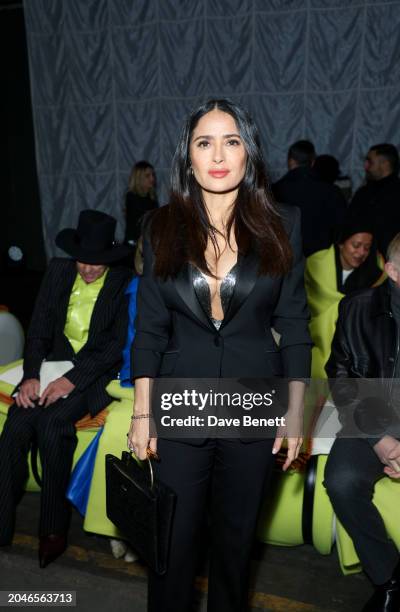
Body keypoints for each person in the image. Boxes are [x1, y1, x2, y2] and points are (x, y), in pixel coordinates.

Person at [127, 99, 312, 612]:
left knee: (234, 553)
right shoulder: (160, 227)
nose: (218, 155)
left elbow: (295, 325)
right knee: (170, 552)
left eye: (232, 141)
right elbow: (149, 330)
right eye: (203, 142)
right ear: (187, 157)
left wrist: (295, 413)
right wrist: (143, 414)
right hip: (180, 409)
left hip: (252, 411)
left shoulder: (284, 224)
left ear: (248, 153)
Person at [0, 210, 132, 567]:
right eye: (82, 261)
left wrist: (71, 380)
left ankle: (53, 531)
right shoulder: (58, 271)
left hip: (97, 375)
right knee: (15, 424)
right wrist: (31, 376)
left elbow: (116, 346)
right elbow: (39, 328)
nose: (88, 268)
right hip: (50, 369)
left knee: (53, 425)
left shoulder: (124, 281)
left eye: (96, 262)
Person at [324, 233, 400, 612]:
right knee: (341, 481)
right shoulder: (357, 307)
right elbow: (341, 376)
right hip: (372, 417)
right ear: (392, 270)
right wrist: (380, 438)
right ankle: (389, 578)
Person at [305, 220, 385, 380]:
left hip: (350, 342)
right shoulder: (315, 264)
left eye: (367, 248)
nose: (361, 252)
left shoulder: (376, 275)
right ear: (341, 244)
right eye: (356, 245)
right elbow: (308, 303)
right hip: (310, 334)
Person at [273, 141, 347, 256]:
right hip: (321, 261)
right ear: (312, 162)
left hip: (285, 260)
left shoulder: (274, 191)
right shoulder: (332, 191)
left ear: (290, 161)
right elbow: (341, 230)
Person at [348, 143, 400, 256]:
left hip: (390, 260)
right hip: (361, 257)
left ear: (385, 164)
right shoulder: (364, 192)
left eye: (370, 162)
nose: (366, 166)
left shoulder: (396, 193)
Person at [124, 161, 158, 245]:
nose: (152, 178)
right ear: (138, 178)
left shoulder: (152, 197)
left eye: (153, 175)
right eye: (147, 176)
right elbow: (141, 223)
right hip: (133, 244)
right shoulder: (131, 197)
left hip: (146, 242)